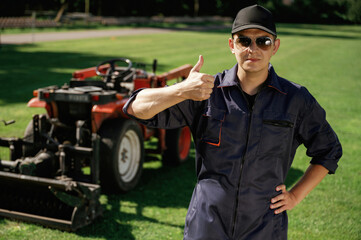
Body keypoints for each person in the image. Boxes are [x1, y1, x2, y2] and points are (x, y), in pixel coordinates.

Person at [123, 4, 342, 240]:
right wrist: (182, 90)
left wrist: (296, 196)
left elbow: (328, 151)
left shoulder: (296, 100)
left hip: (265, 227)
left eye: (263, 41)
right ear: (232, 45)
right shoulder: (204, 91)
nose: (253, 49)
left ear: (275, 46)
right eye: (244, 41)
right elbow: (135, 107)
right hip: (206, 225)